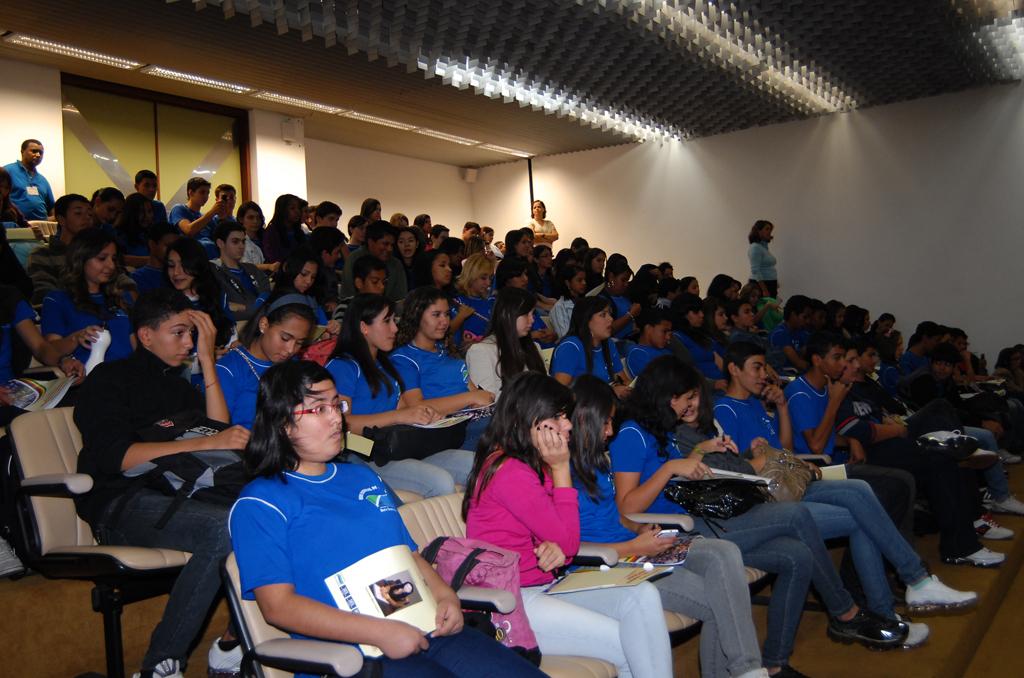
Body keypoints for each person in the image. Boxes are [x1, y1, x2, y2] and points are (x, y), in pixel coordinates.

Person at [228, 360, 543, 678]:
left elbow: (409, 555)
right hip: (352, 655)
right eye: (319, 409)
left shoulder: (361, 478)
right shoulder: (262, 502)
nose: (336, 417)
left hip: (422, 626)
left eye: (337, 405)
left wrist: (444, 595)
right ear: (283, 423)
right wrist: (379, 632)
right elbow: (278, 607)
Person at [612, 355, 908, 673]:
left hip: (702, 517)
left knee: (797, 557)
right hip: (683, 528)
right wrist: (671, 467)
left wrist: (701, 453)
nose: (691, 405)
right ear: (668, 396)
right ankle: (844, 611)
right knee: (795, 516)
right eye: (687, 397)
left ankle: (775, 664)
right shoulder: (632, 434)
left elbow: (676, 477)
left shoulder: (663, 431)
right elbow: (627, 507)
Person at [714, 342, 977, 634]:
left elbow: (785, 450)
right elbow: (732, 468)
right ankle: (899, 599)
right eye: (757, 367)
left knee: (860, 491)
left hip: (790, 481)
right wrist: (755, 454)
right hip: (770, 495)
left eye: (764, 367)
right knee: (864, 513)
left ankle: (911, 586)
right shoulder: (724, 409)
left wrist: (782, 408)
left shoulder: (755, 402)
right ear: (734, 369)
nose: (764, 374)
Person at [74, 288, 251, 678]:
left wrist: (208, 360)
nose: (188, 343)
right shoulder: (110, 379)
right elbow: (116, 458)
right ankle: (159, 666)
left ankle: (233, 641)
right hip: (121, 502)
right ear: (146, 335)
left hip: (183, 495)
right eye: (179, 333)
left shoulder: (177, 384)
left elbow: (218, 433)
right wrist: (206, 442)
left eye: (192, 335)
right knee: (224, 529)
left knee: (269, 515)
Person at [464, 372, 674, 678]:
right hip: (516, 599)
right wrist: (562, 468)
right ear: (532, 418)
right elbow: (568, 541)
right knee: (628, 642)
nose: (568, 425)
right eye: (559, 417)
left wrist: (551, 545)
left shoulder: (529, 461)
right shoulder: (510, 470)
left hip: (546, 584)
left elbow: (558, 540)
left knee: (641, 595)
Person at [570, 375, 767, 678]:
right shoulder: (561, 474)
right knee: (723, 603)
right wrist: (634, 545)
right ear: (584, 419)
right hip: (610, 564)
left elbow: (614, 515)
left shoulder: (593, 461)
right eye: (605, 423)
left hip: (635, 547)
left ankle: (748, 671)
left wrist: (638, 530)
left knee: (723, 552)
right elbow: (570, 545)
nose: (610, 431)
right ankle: (748, 671)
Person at [793, 333, 1003, 568]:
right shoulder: (822, 391)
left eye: (849, 359)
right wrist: (858, 435)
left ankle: (965, 533)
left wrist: (854, 437)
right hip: (842, 463)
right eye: (843, 359)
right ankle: (958, 546)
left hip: (870, 447)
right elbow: (822, 442)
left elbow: (852, 427)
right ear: (818, 360)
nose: (851, 365)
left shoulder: (839, 388)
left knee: (946, 451)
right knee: (940, 460)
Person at [327, 294, 475, 498]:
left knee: (478, 466)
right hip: (367, 453)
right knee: (440, 482)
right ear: (364, 327)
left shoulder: (384, 364)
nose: (395, 329)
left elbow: (403, 407)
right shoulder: (343, 367)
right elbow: (341, 425)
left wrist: (426, 414)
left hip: (401, 445)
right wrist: (399, 417)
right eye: (387, 321)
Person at [391, 287, 495, 449]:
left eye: (446, 314)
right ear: (416, 316)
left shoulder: (447, 352)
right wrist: (471, 398)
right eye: (436, 314)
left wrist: (479, 400)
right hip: (444, 431)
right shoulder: (404, 359)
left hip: (471, 421)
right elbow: (415, 407)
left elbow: (474, 392)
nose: (445, 321)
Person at [217, 292, 316, 429]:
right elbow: (218, 429)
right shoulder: (228, 369)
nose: (290, 349)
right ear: (264, 325)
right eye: (285, 338)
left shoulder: (294, 366)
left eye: (299, 343)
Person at [41, 229, 134, 366]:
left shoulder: (121, 298)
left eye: (113, 259)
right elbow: (50, 350)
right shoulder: (57, 300)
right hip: (89, 375)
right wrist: (76, 338)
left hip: (130, 372)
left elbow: (136, 344)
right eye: (102, 258)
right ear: (81, 259)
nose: (111, 265)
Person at [0, 284, 85, 425]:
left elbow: (40, 347)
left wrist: (63, 360)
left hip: (12, 392)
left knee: (83, 401)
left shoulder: (8, 297)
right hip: (9, 402)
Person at [466, 287, 546, 401]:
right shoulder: (481, 351)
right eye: (526, 314)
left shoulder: (534, 347)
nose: (532, 320)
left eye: (532, 314)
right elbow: (487, 401)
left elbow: (546, 388)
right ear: (507, 315)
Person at [549, 296, 630, 399]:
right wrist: (610, 392)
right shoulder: (570, 347)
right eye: (603, 315)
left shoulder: (608, 344)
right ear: (586, 320)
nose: (611, 319)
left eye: (610, 314)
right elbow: (560, 393)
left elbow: (625, 380)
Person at [165, 238, 235, 351]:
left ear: (198, 266)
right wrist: (202, 358)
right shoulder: (163, 304)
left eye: (184, 265)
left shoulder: (217, 295)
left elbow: (231, 335)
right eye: (171, 265)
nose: (176, 272)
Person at [27, 193, 93, 305]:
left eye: (90, 214)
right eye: (78, 213)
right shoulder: (42, 254)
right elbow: (44, 292)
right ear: (61, 220)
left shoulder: (97, 253)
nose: (87, 218)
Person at [211, 221, 272, 322]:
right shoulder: (213, 272)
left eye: (243, 241)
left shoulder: (252, 269)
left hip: (263, 321)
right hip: (237, 326)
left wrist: (243, 307)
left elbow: (267, 293)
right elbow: (222, 308)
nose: (241, 246)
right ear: (220, 243)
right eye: (235, 242)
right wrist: (255, 307)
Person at [340, 221, 407, 303]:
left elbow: (400, 299)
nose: (390, 249)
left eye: (392, 245)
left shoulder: (396, 264)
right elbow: (347, 295)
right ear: (370, 242)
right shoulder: (354, 259)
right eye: (385, 244)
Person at [670, 293, 726, 388]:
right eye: (696, 312)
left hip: (722, 383)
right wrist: (713, 384)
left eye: (702, 311)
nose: (702, 315)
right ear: (683, 314)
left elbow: (720, 360)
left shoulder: (701, 334)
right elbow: (686, 372)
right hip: (704, 388)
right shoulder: (675, 338)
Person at [274, 247, 332, 327]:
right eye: (304, 274)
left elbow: (323, 325)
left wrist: (331, 327)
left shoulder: (312, 301)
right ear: (287, 268)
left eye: (313, 277)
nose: (308, 281)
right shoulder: (267, 299)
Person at [451, 253, 496, 347]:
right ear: (470, 276)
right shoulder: (457, 302)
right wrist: (460, 317)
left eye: (490, 278)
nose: (488, 283)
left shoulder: (491, 302)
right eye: (483, 278)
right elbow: (447, 334)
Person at [4, 139, 54, 221]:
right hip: (16, 224)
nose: (38, 155)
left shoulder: (43, 180)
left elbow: (52, 207)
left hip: (42, 225)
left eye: (41, 153)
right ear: (22, 152)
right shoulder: (7, 171)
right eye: (34, 151)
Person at [332, 255, 388, 324]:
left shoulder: (385, 307)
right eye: (375, 282)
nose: (382, 287)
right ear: (359, 283)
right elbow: (341, 328)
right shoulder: (345, 308)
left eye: (384, 282)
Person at [130, 223, 180, 295]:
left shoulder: (182, 274)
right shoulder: (136, 278)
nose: (173, 250)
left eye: (176, 246)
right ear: (152, 244)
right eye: (168, 245)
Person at [169, 177, 224, 242]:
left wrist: (223, 215)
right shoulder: (178, 209)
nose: (206, 196)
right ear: (191, 193)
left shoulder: (207, 218)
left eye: (208, 193)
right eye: (202, 192)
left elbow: (219, 238)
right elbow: (189, 230)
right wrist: (212, 212)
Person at [625, 308, 673, 378]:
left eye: (670, 334)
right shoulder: (637, 353)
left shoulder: (665, 350)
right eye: (664, 331)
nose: (668, 337)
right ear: (648, 329)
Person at [769, 295, 812, 372]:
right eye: (805, 317)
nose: (808, 321)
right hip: (784, 376)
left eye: (809, 318)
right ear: (793, 314)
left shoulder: (803, 332)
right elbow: (799, 363)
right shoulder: (779, 334)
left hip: (797, 373)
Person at [601, 257, 639, 341]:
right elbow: (606, 329)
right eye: (623, 280)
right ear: (611, 277)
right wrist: (630, 315)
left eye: (627, 280)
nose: (626, 284)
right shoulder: (601, 300)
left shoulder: (625, 298)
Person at [307, 225, 345, 311]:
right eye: (337, 252)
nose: (339, 256)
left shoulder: (329, 270)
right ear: (325, 253)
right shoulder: (315, 276)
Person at [262, 194, 307, 264]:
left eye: (298, 208)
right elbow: (272, 258)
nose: (297, 211)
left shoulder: (299, 232)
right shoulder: (272, 232)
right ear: (282, 210)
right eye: (292, 208)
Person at [113, 192, 153, 266]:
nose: (147, 216)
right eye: (141, 212)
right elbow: (120, 259)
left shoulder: (152, 233)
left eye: (149, 211)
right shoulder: (119, 235)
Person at [549, 264, 587, 339]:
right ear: (567, 283)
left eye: (584, 280)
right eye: (579, 280)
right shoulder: (559, 307)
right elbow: (565, 337)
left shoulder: (587, 302)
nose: (584, 283)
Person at [236, 200, 274, 271]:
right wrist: (268, 266)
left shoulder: (266, 237)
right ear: (241, 219)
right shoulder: (238, 241)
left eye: (258, 217)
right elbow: (245, 266)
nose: (255, 221)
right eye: (250, 217)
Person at [747, 220, 778, 298]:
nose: (770, 232)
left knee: (771, 305)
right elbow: (755, 270)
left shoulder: (762, 247)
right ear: (758, 231)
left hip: (769, 283)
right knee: (765, 305)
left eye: (770, 230)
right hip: (760, 285)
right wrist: (764, 290)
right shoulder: (755, 247)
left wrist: (774, 282)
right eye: (767, 229)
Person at [395, 225, 421, 289]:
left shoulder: (424, 265)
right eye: (401, 242)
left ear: (417, 244)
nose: (406, 244)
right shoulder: (394, 267)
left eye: (410, 240)